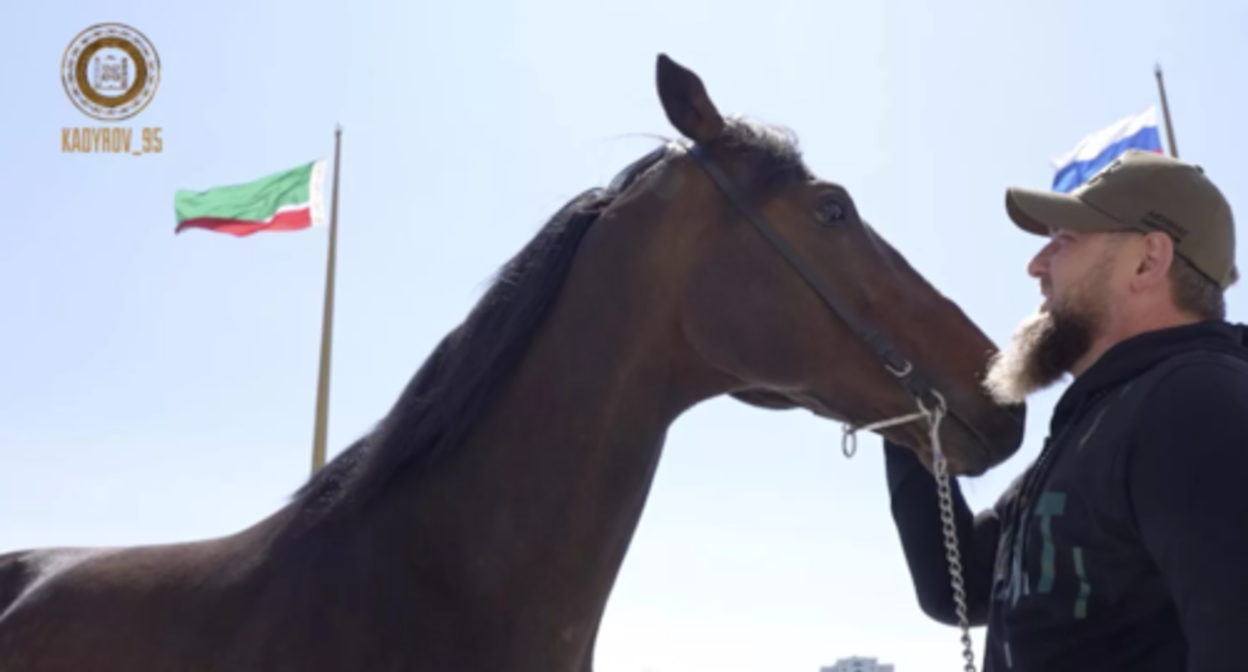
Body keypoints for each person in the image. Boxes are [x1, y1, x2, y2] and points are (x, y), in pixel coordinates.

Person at [883, 149, 1248, 671]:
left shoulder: (1195, 400)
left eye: (1064, 240)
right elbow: (956, 584)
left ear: (1147, 261)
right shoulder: (1104, 419)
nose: (1037, 264)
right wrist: (905, 409)